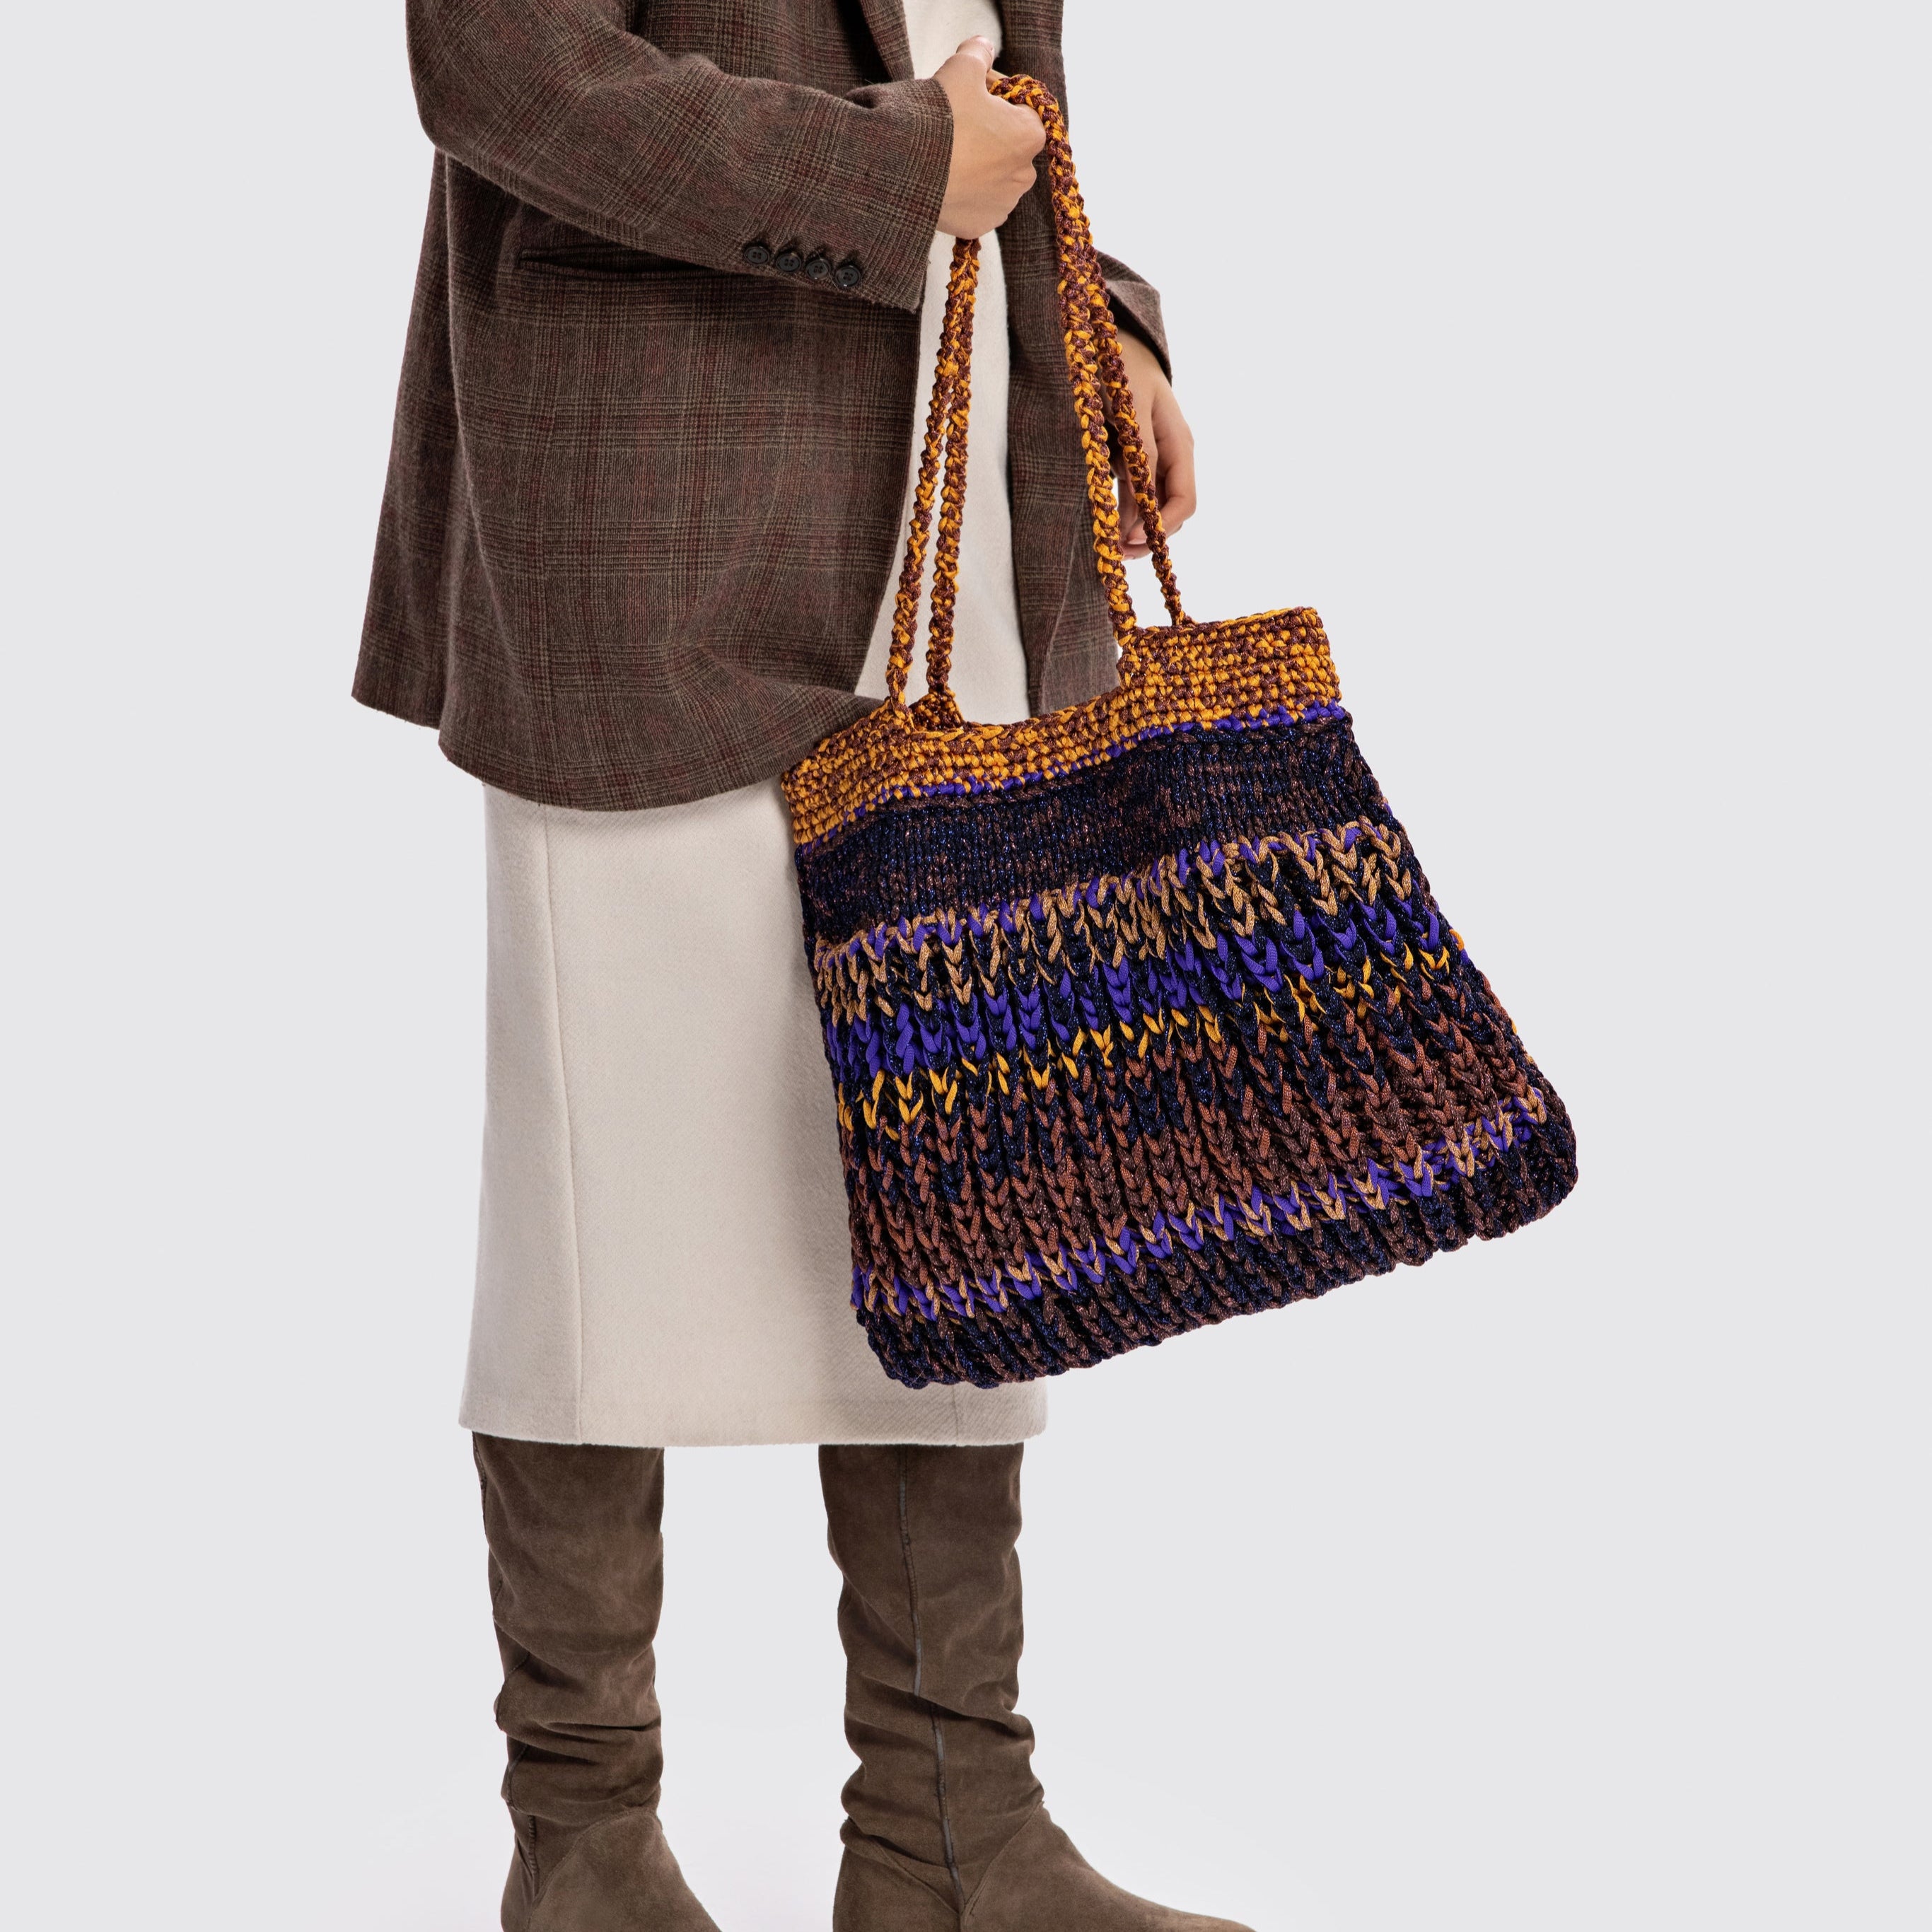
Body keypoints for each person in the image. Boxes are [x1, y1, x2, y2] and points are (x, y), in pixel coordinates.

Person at [357, 3, 1228, 1927]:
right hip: (649, 540)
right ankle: (583, 1845)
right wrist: (895, 174)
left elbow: (977, 63)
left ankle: (948, 1831)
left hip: (965, 516)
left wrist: (1099, 316)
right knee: (605, 1219)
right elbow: (500, 69)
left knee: (958, 1186)